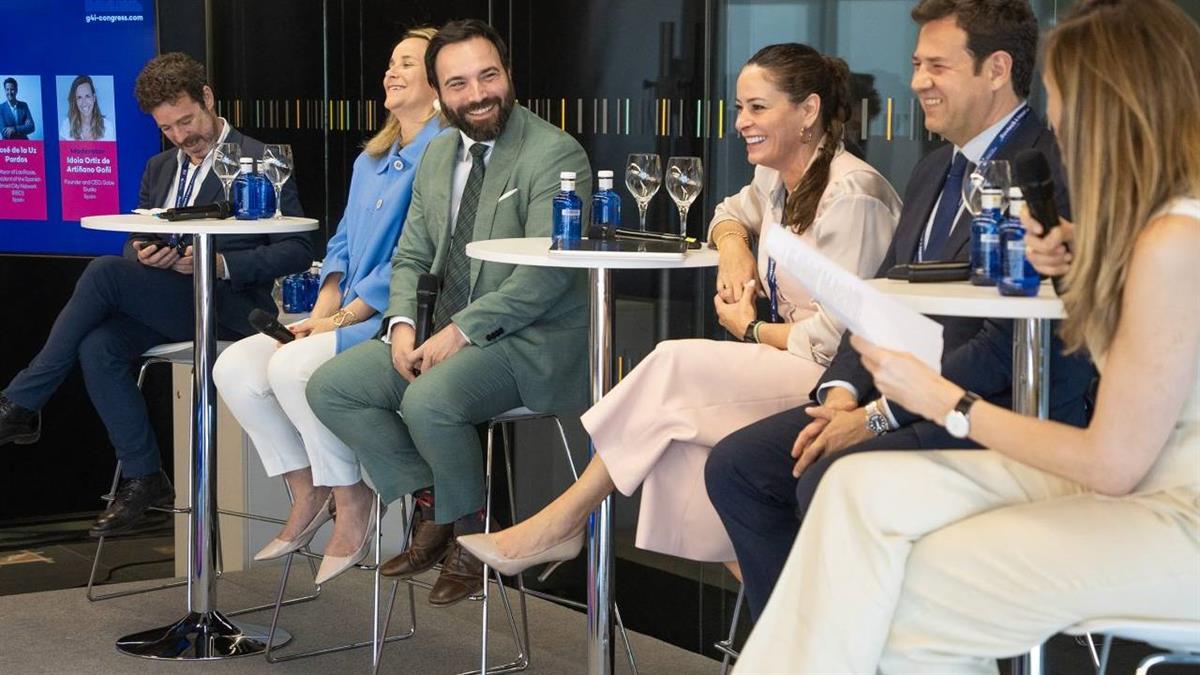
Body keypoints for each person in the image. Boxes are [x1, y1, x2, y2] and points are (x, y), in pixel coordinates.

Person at [737, 1, 1200, 671]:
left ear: (1112, 112)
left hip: (1169, 510)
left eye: (1065, 106)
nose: (1057, 125)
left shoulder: (1173, 241)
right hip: (1142, 477)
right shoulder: (1155, 226)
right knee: (853, 489)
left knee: (912, 585)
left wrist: (941, 399)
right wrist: (1078, 269)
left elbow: (1113, 462)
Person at [705, 0, 1096, 620]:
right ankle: (798, 651)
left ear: (997, 69)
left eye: (936, 65)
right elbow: (876, 303)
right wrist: (839, 394)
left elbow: (1009, 344)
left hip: (1005, 412)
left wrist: (878, 417)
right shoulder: (935, 169)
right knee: (739, 468)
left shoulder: (1052, 172)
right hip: (909, 394)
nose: (916, 81)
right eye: (916, 64)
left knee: (829, 475)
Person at [457, 44, 902, 575]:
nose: (741, 123)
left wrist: (752, 327)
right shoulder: (779, 177)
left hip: (839, 384)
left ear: (807, 111)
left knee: (673, 365)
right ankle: (776, 624)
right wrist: (735, 249)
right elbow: (727, 213)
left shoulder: (853, 194)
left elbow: (842, 336)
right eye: (740, 108)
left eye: (757, 108)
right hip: (794, 365)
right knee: (686, 444)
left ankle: (562, 522)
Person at [305, 19, 591, 602]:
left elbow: (549, 274)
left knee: (428, 400)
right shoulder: (437, 154)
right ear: (439, 92)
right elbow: (411, 254)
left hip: (530, 337)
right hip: (442, 329)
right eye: (459, 83)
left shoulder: (554, 153)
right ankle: (437, 498)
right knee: (332, 388)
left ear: (508, 74)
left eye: (489, 75)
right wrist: (405, 325)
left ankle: (468, 532)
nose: (479, 93)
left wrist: (459, 331)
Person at [0, 53, 310, 537]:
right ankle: (145, 477)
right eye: (168, 129)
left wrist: (220, 264)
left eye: (186, 121)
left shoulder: (261, 158)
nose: (182, 136)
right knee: (97, 345)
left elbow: (298, 247)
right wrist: (143, 252)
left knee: (104, 273)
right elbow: (135, 235)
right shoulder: (159, 167)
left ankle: (20, 403)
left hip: (231, 307)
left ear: (207, 99)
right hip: (172, 300)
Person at [213, 29, 442, 563]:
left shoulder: (443, 154)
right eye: (389, 61)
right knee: (235, 368)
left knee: (290, 369)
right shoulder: (372, 158)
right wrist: (318, 312)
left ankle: (353, 494)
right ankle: (308, 489)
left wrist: (339, 319)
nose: (390, 71)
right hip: (341, 311)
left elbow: (414, 258)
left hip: (393, 318)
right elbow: (339, 242)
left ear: (436, 83)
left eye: (405, 63)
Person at [60, 75, 114, 141]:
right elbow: (62, 151)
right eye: (79, 97)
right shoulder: (66, 126)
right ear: (75, 101)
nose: (84, 102)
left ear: (94, 98)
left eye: (87, 96)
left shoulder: (108, 127)